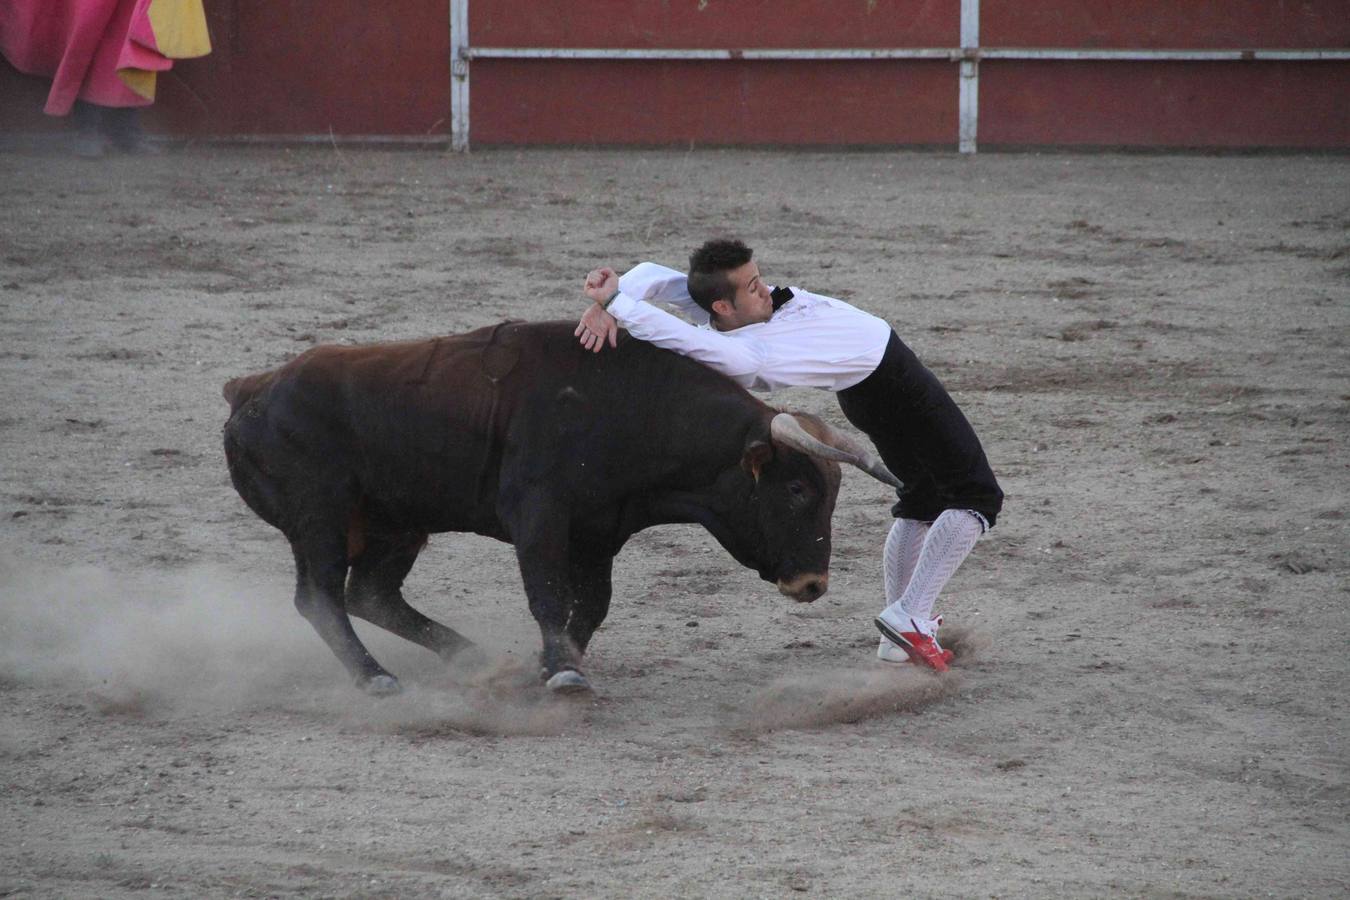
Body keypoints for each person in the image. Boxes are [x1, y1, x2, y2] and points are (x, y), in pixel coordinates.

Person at [575, 239, 1002, 672]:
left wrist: (609, 305)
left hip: (870, 389)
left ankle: (898, 637)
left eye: (758, 278)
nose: (765, 290)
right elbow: (675, 334)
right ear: (723, 307)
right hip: (899, 390)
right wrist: (616, 304)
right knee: (977, 497)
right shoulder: (745, 354)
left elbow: (652, 274)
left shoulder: (728, 310)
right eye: (752, 287)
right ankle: (910, 616)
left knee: (922, 499)